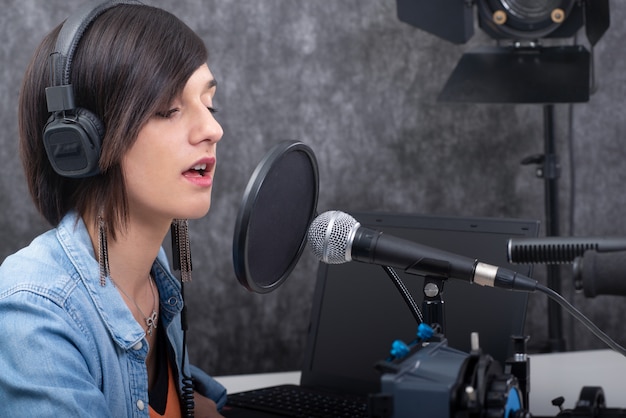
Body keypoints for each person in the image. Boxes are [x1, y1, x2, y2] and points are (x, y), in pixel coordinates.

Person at [0, 1, 227, 417]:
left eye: (209, 105)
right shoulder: (33, 311)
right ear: (79, 141)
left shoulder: (153, 280)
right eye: (169, 109)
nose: (213, 129)